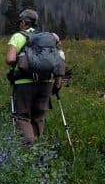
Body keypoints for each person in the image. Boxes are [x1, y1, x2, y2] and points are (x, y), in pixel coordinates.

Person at [5, 9, 63, 143]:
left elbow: (10, 59)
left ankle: (28, 150)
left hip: (24, 82)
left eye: (20, 21)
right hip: (46, 82)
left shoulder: (18, 36)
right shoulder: (48, 38)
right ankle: (38, 153)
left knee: (23, 116)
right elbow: (58, 58)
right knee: (39, 117)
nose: (19, 24)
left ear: (24, 22)